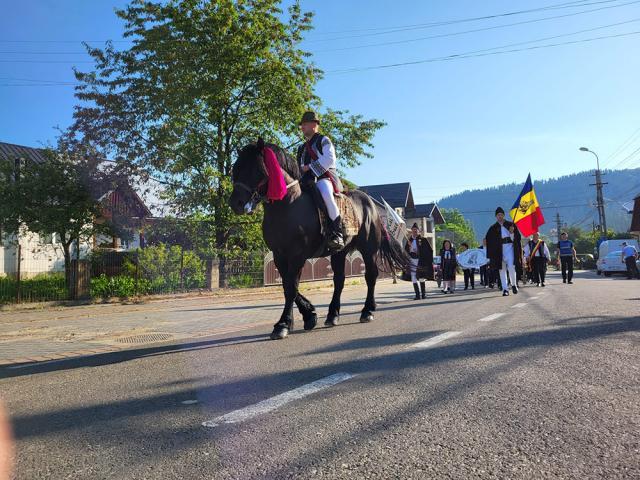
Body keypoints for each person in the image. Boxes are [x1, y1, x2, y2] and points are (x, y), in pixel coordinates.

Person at [296, 111, 344, 251]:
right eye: (302, 125)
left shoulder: (323, 140)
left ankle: (337, 233)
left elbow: (330, 159)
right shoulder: (301, 147)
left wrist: (309, 167)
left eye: (304, 124)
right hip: (305, 180)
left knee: (326, 195)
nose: (302, 127)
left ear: (314, 124)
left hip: (323, 177)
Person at [485, 207, 523, 296]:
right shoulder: (493, 228)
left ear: (504, 215)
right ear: (496, 216)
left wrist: (512, 233)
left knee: (511, 267)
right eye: (498, 215)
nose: (500, 216)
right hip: (499, 251)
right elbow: (488, 239)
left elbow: (517, 238)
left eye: (501, 215)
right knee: (502, 270)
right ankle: (505, 289)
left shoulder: (511, 225)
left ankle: (514, 285)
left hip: (509, 248)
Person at [404, 223, 434, 299]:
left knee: (421, 277)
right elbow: (405, 251)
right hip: (412, 260)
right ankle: (417, 295)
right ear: (411, 231)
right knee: (413, 277)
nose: (414, 231)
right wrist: (409, 247)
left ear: (418, 231)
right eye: (413, 230)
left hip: (421, 261)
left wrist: (419, 252)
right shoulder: (409, 240)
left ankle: (423, 294)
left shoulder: (423, 240)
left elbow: (429, 251)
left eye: (416, 230)